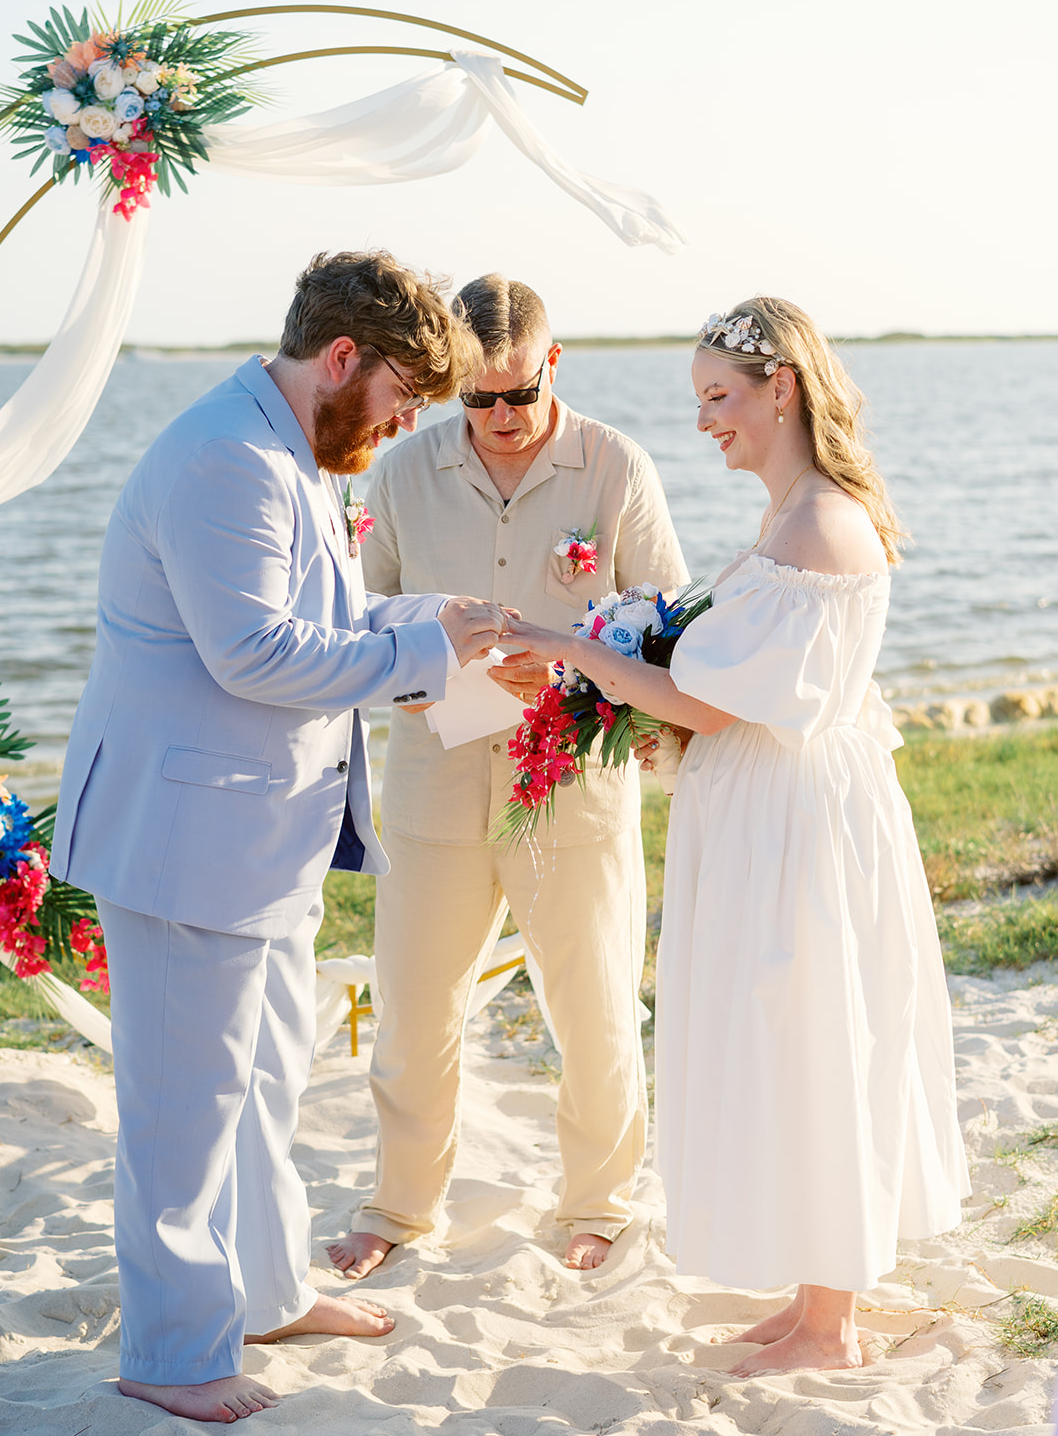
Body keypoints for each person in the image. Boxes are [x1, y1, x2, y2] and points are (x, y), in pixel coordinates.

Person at [49, 251, 508, 1424]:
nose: (407, 420)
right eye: (405, 391)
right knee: (182, 1108)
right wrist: (426, 657)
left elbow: (331, 619)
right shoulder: (227, 458)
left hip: (260, 835)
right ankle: (170, 1349)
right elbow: (254, 654)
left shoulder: (293, 446)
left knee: (259, 1084)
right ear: (341, 356)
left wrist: (431, 620)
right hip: (185, 835)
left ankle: (263, 1294)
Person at [502, 297, 969, 1375]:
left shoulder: (813, 521)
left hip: (798, 818)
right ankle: (814, 1301)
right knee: (787, 1035)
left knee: (813, 1035)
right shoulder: (791, 512)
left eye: (719, 396)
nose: (705, 420)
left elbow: (712, 700)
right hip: (776, 805)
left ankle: (830, 1321)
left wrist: (562, 643)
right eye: (697, 399)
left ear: (781, 388)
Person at [326, 273, 687, 1279]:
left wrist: (569, 659)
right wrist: (427, 668)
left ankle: (600, 1205)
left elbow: (666, 626)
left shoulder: (615, 466)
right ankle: (399, 1208)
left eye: (516, 395)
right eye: (477, 399)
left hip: (570, 786)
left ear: (551, 364)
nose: (498, 418)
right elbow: (362, 619)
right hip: (433, 781)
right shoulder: (397, 476)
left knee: (595, 1007)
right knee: (411, 1011)